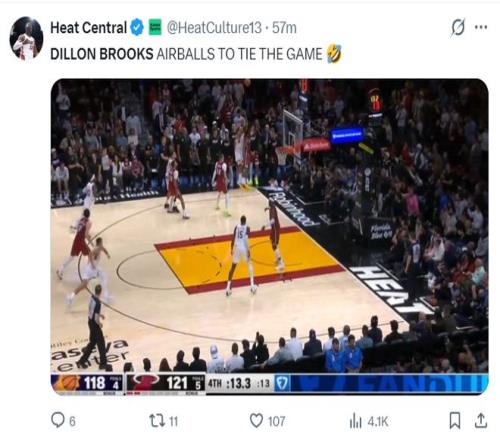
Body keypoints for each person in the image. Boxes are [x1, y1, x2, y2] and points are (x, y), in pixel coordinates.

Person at [66, 237, 110, 306]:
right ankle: (106, 296)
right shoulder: (96, 249)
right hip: (91, 269)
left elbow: (104, 249)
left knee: (85, 284)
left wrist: (107, 254)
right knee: (103, 277)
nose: (102, 244)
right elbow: (90, 254)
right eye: (102, 242)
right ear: (99, 243)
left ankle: (71, 296)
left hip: (92, 268)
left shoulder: (100, 247)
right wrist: (92, 264)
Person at [75, 284, 109, 370]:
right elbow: (96, 318)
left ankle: (81, 361)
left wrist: (100, 315)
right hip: (95, 325)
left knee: (92, 343)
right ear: (101, 292)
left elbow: (91, 310)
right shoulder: (98, 303)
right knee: (101, 344)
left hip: (90, 322)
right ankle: (103, 364)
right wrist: (100, 324)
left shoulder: (92, 297)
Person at [225, 215, 257, 296]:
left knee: (233, 267)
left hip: (236, 247)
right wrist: (248, 250)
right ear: (245, 221)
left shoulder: (236, 227)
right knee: (249, 265)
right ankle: (252, 286)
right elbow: (246, 239)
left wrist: (231, 248)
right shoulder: (247, 228)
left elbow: (233, 238)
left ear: (240, 221)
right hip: (243, 248)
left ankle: (228, 288)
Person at [56, 208, 92, 280]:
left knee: (72, 257)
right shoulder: (89, 222)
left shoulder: (80, 220)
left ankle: (60, 269)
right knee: (90, 255)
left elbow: (74, 229)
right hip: (81, 241)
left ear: (83, 214)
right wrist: (91, 241)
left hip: (76, 239)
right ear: (89, 215)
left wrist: (85, 234)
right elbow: (86, 234)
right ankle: (87, 275)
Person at [261, 200, 284, 271]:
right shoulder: (272, 207)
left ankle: (281, 264)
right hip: (273, 230)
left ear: (272, 203)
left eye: (269, 202)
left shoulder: (273, 210)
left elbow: (273, 220)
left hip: (275, 229)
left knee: (274, 245)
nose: (268, 202)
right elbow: (270, 207)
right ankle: (277, 258)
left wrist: (265, 226)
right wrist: (267, 208)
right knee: (272, 242)